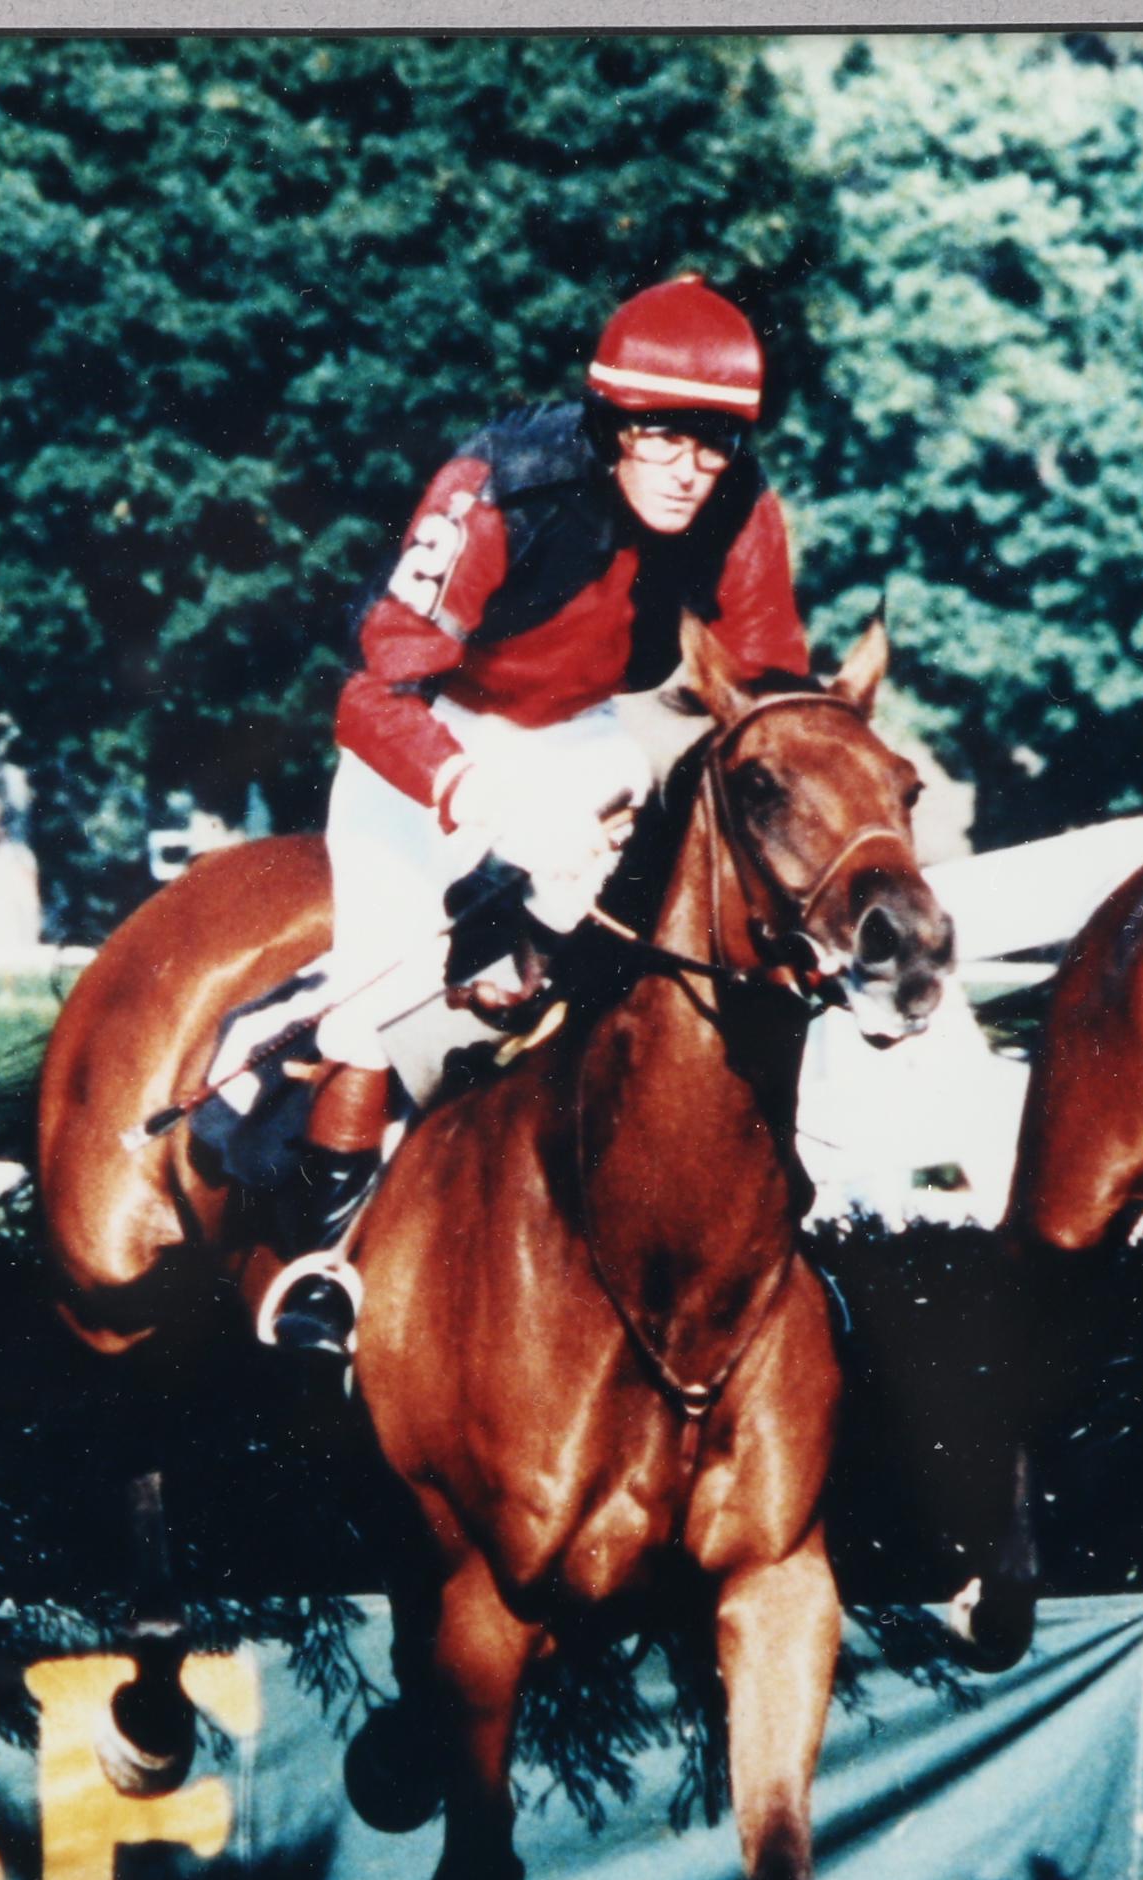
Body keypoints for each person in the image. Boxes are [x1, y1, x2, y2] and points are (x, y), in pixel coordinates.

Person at [264, 274, 816, 1357]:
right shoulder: (497, 486)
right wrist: (480, 802)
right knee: (376, 1000)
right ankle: (319, 1266)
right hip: (426, 742)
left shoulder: (745, 511)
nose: (690, 470)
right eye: (663, 437)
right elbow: (372, 697)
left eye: (714, 444)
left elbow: (772, 700)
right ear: (613, 424)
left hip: (579, 736)